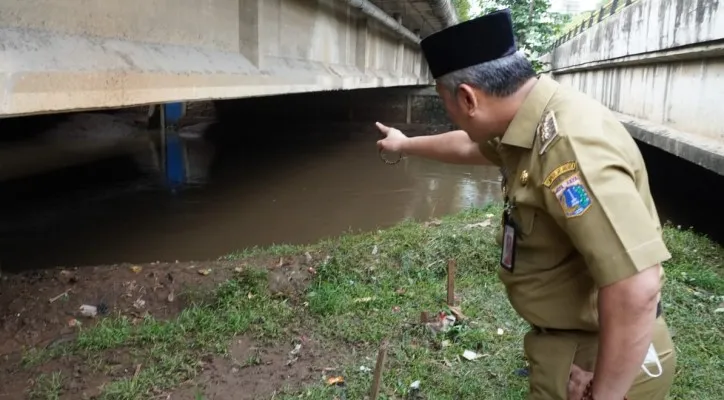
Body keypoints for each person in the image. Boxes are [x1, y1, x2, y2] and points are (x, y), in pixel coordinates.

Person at [374, 8, 676, 400]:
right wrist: (404, 144)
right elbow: (471, 145)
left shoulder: (569, 151)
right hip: (570, 348)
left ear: (467, 98)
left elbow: (636, 287)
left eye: (443, 101)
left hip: (600, 361)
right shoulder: (528, 120)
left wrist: (604, 394)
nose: (448, 113)